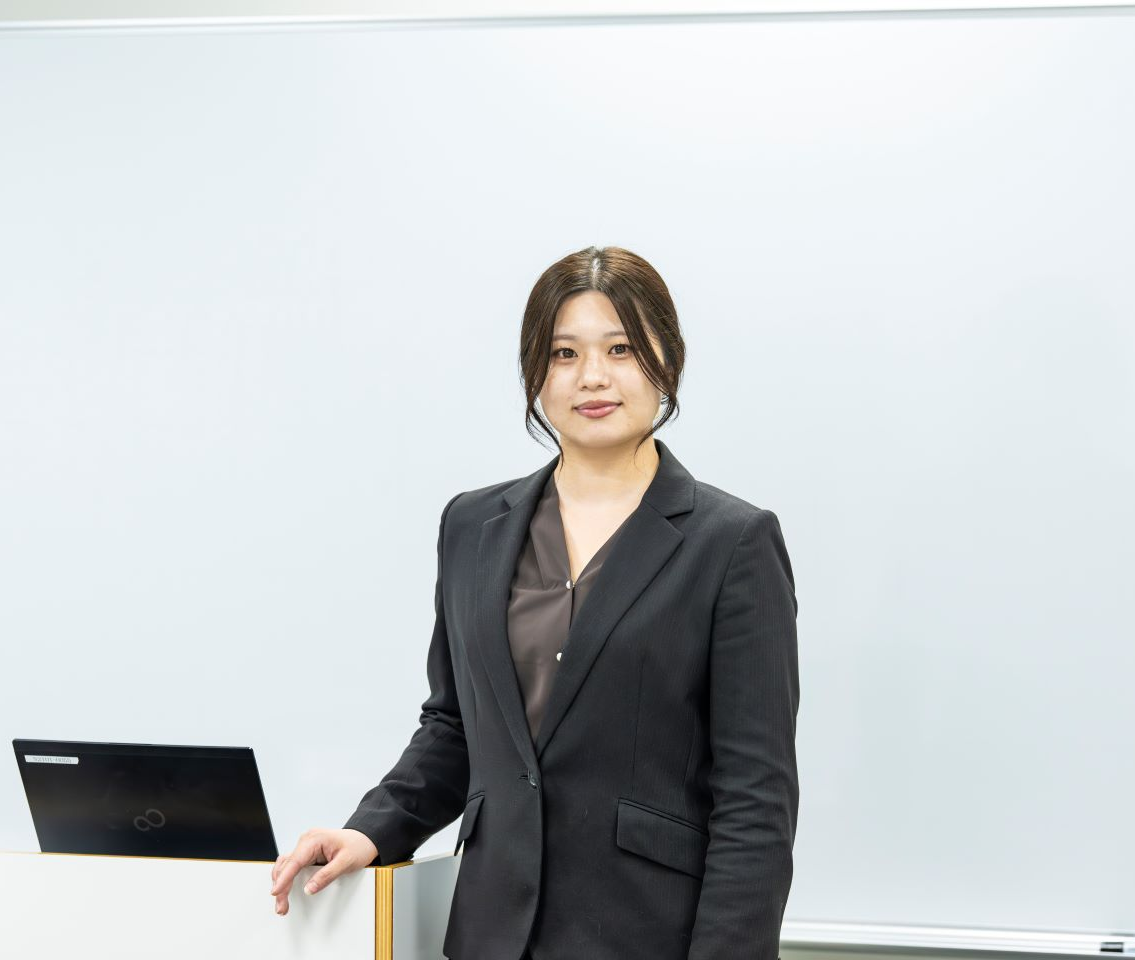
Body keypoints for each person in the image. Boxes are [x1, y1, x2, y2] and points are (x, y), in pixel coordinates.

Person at [269, 245, 800, 959]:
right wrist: (372, 828)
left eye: (620, 348)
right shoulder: (471, 526)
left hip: (647, 936)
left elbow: (756, 798)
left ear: (667, 361)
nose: (592, 376)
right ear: (534, 373)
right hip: (492, 931)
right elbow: (457, 726)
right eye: (563, 353)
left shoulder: (732, 543)